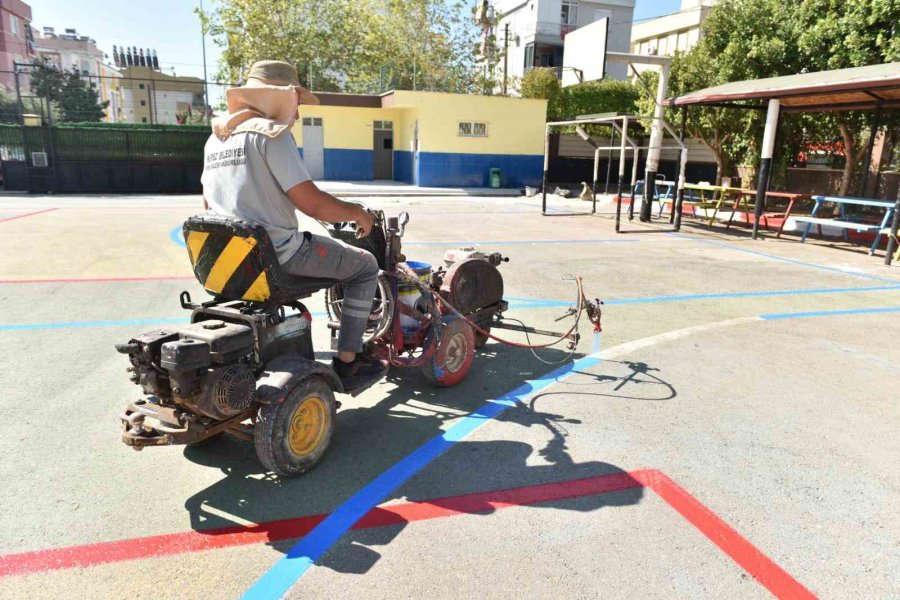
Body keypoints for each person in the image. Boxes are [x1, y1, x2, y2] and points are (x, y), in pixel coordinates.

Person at [200, 60, 385, 389]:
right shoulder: (272, 135)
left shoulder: (215, 141)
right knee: (365, 267)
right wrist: (358, 213)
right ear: (277, 97)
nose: (297, 113)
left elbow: (207, 204)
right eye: (295, 102)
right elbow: (312, 203)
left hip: (227, 263)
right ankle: (349, 361)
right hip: (277, 255)